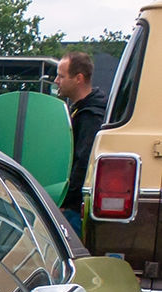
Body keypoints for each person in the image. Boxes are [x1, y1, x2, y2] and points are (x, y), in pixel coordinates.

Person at [56, 50, 108, 230]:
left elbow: (83, 162)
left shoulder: (91, 117)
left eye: (61, 76)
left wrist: (65, 201)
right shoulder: (81, 111)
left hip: (74, 209)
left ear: (78, 78)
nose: (56, 81)